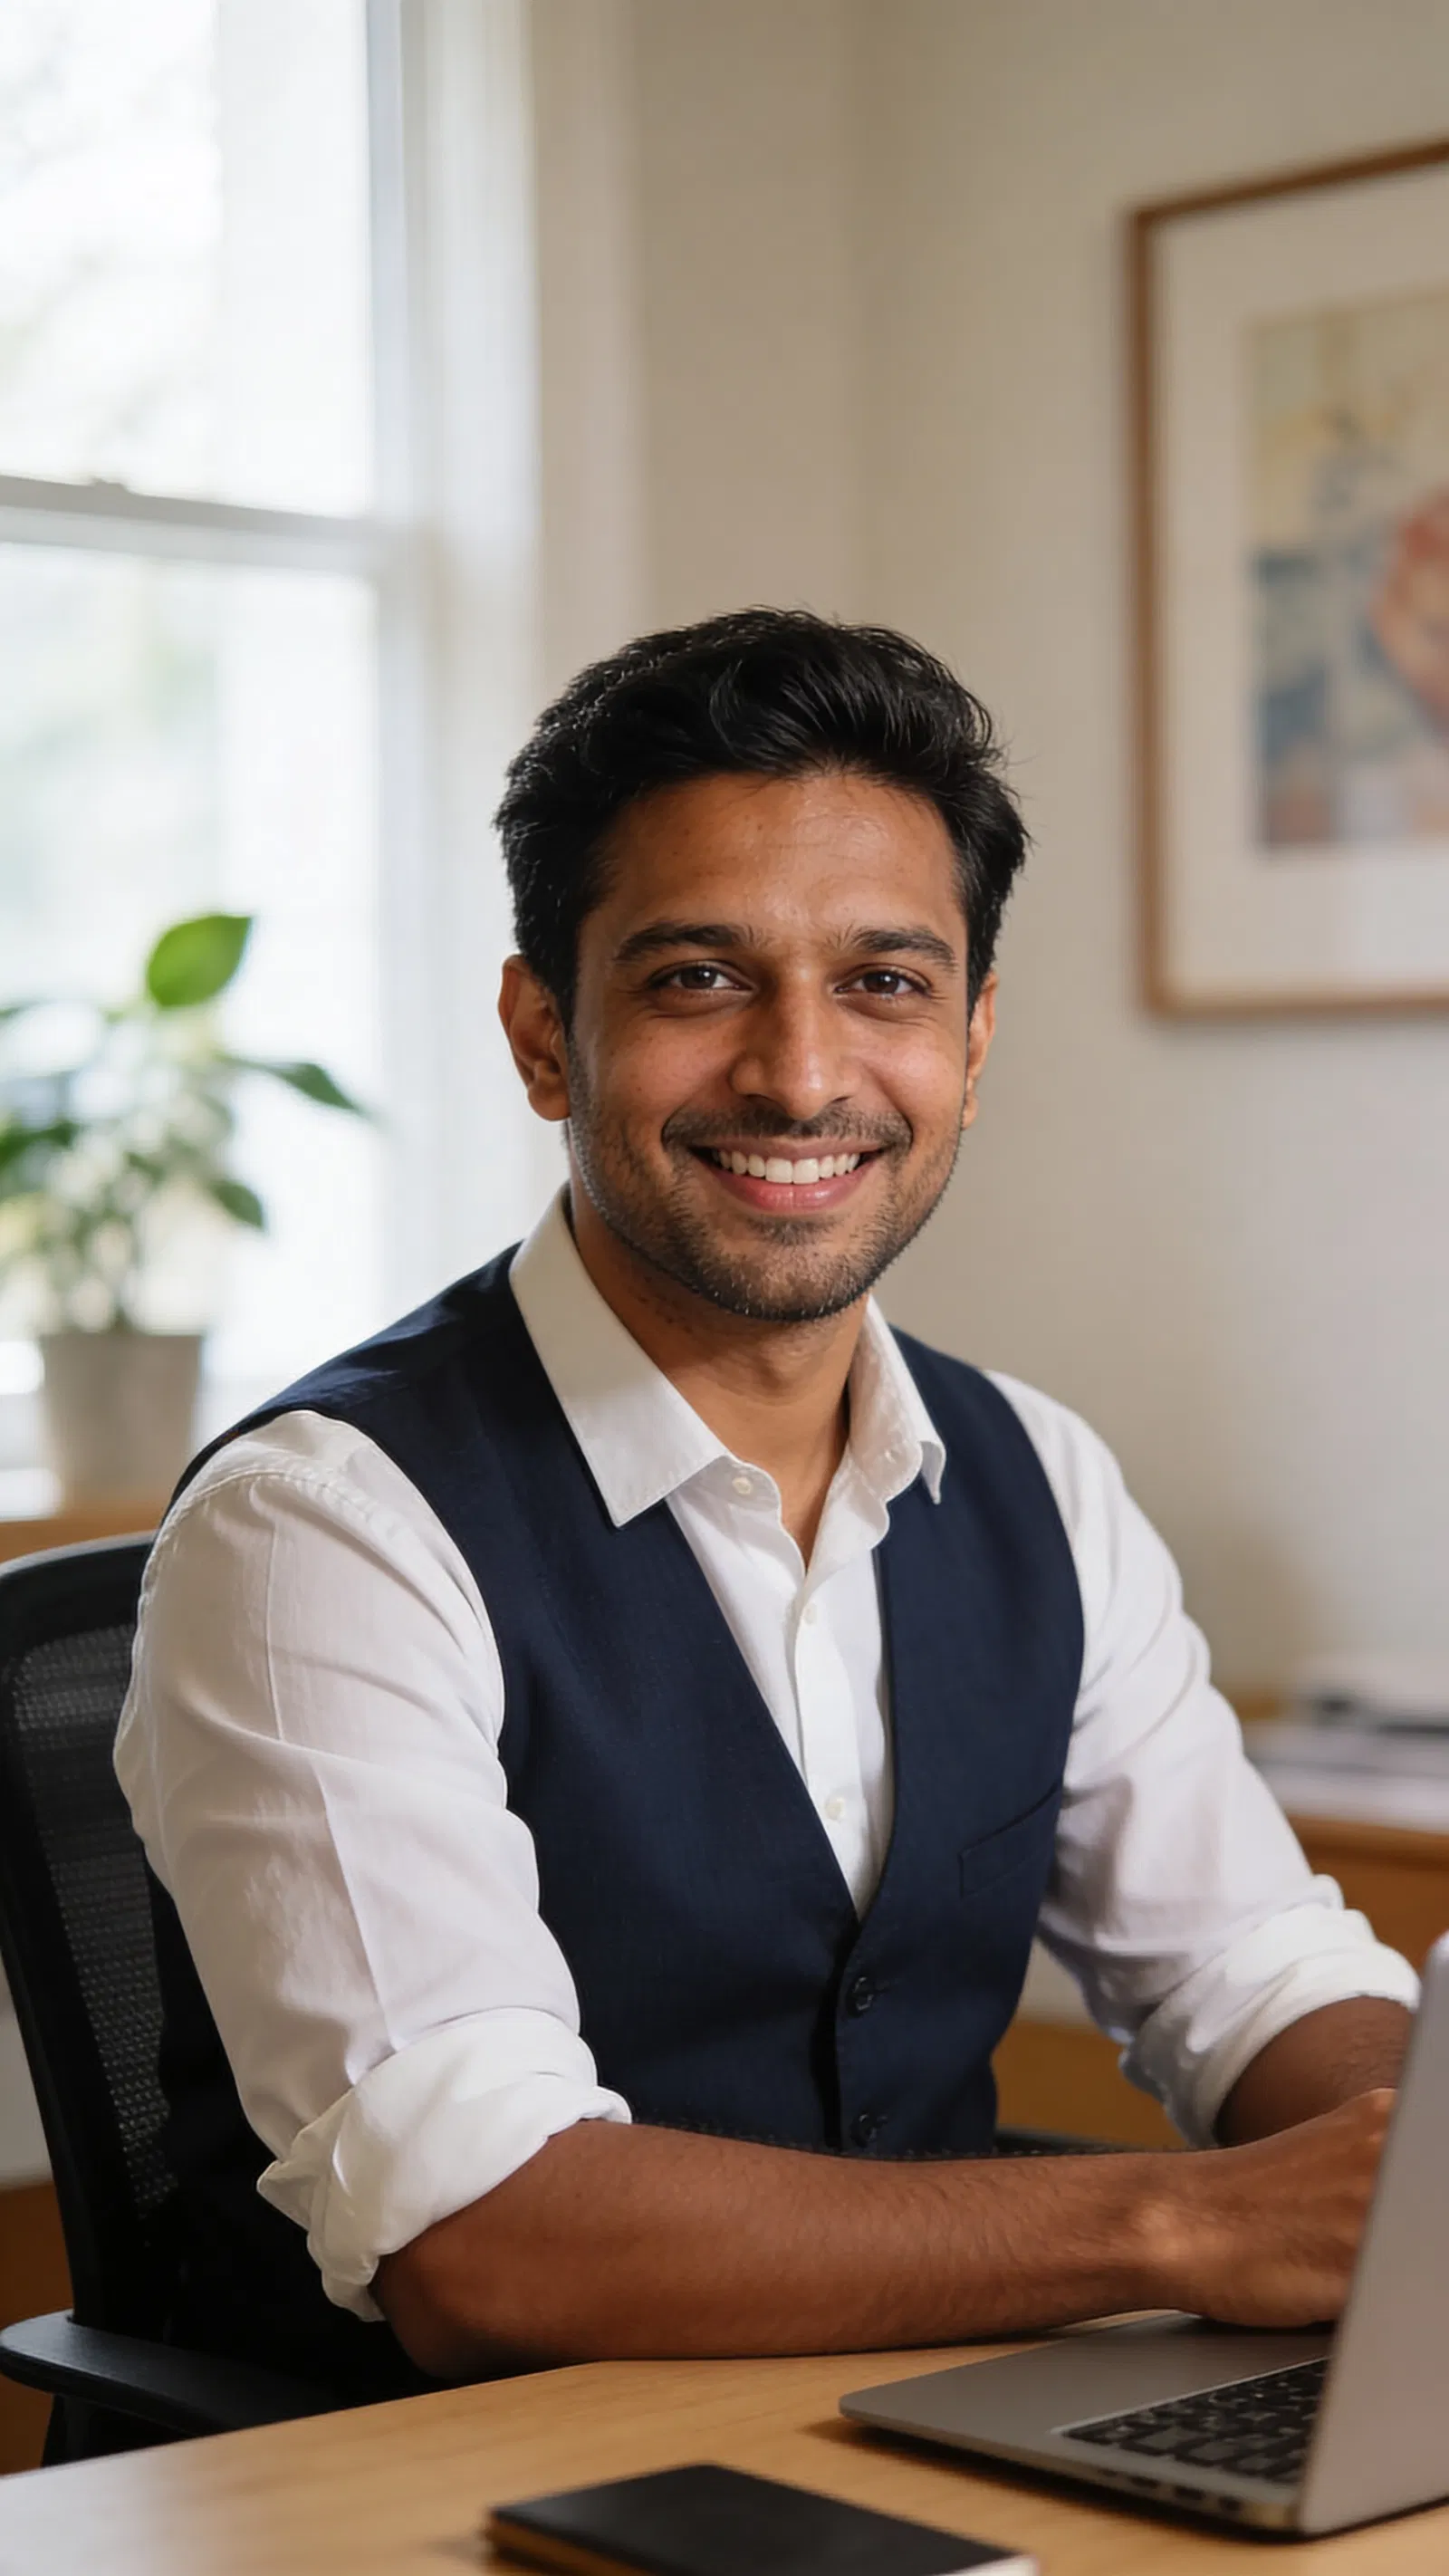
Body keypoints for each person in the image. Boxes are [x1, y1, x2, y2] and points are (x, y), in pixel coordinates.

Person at [117, 609, 1416, 2401]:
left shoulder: (1030, 1474)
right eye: (696, 980)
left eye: (881, 984)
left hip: (904, 2443)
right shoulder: (319, 1529)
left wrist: (1402, 2168)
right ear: (541, 1034)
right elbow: (483, 2234)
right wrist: (1182, 2228)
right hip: (441, 2497)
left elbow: (1249, 1974)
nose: (800, 1076)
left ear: (968, 1039)